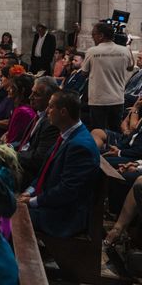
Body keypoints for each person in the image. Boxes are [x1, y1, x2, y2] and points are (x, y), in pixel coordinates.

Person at [19, 90, 100, 237]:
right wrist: (29, 191)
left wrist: (32, 201)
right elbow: (45, 170)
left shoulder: (80, 146)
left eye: (50, 107)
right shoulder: (66, 134)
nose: (47, 111)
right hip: (51, 203)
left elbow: (67, 191)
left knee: (10, 215)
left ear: (63, 112)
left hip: (64, 216)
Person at [81, 22, 135, 131]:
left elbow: (84, 73)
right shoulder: (124, 51)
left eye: (93, 35)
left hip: (98, 99)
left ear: (101, 36)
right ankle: (114, 148)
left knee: (98, 131)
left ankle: (101, 149)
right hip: (117, 99)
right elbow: (130, 67)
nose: (93, 38)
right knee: (115, 131)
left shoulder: (92, 51)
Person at [16, 76, 60, 188]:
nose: (30, 97)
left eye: (36, 95)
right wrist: (8, 147)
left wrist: (12, 155)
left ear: (50, 98)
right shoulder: (40, 114)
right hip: (22, 163)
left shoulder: (51, 124)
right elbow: (25, 143)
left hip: (29, 176)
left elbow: (38, 159)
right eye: (32, 92)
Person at [92, 95, 142, 166]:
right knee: (96, 135)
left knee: (99, 159)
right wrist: (125, 131)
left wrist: (136, 109)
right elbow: (124, 123)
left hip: (134, 151)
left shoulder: (138, 106)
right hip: (126, 139)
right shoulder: (139, 102)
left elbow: (133, 128)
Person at [3, 73, 36, 144]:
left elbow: (14, 140)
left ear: (22, 90)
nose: (8, 89)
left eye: (12, 87)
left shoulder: (22, 111)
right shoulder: (20, 108)